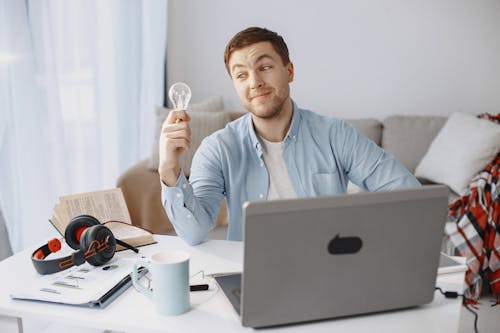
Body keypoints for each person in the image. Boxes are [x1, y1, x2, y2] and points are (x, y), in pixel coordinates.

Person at [159, 27, 420, 245]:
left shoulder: (335, 134)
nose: (254, 82)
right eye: (241, 75)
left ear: (290, 71)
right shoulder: (218, 149)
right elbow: (194, 233)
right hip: (253, 273)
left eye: (264, 67)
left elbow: (409, 196)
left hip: (328, 268)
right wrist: (169, 167)